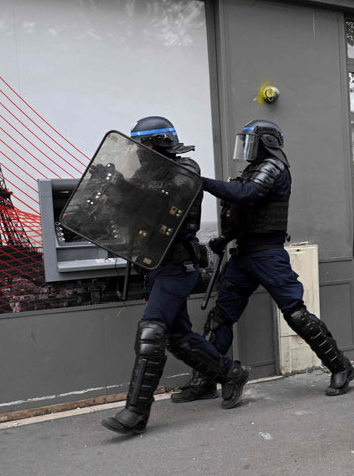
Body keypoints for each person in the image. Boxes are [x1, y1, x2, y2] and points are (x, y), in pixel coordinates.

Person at [182, 119, 354, 406]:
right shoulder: (253, 171)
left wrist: (202, 183)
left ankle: (340, 367)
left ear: (267, 143)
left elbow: (246, 195)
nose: (247, 149)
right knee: (220, 318)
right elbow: (245, 213)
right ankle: (206, 379)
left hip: (268, 255)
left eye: (252, 142)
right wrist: (224, 240)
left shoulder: (274, 168)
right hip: (244, 255)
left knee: (296, 315)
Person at [101, 116, 248, 435]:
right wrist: (113, 186)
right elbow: (133, 210)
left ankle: (135, 413)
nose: (140, 153)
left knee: (151, 332)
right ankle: (230, 374)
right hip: (155, 266)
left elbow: (164, 198)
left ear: (160, 144)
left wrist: (129, 188)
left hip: (177, 267)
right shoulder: (143, 174)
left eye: (146, 146)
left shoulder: (187, 170)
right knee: (179, 338)